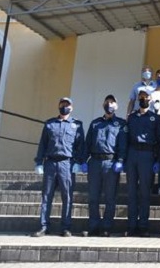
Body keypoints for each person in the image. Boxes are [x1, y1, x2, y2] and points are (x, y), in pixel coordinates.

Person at [32, 97, 85, 237]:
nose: (64, 107)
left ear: (71, 108)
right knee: (46, 196)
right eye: (62, 104)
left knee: (67, 197)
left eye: (67, 105)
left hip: (67, 164)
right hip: (50, 163)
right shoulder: (50, 124)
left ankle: (65, 227)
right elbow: (42, 144)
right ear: (58, 106)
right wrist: (39, 162)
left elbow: (81, 146)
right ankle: (44, 226)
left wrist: (79, 162)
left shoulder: (77, 125)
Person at [83, 94, 127, 237]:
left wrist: (120, 160)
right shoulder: (95, 123)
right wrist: (83, 161)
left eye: (112, 103)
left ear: (116, 106)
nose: (109, 105)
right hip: (94, 162)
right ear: (103, 105)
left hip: (111, 163)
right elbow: (87, 143)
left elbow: (123, 144)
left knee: (110, 197)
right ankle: (93, 226)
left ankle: (107, 227)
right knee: (93, 197)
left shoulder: (121, 124)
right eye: (107, 102)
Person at [124, 90, 160, 237]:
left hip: (148, 155)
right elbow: (126, 138)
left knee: (145, 193)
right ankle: (131, 226)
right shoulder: (132, 117)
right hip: (132, 154)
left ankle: (143, 226)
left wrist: (158, 161)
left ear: (151, 100)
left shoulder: (156, 118)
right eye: (141, 97)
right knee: (132, 192)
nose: (143, 99)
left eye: (146, 97)